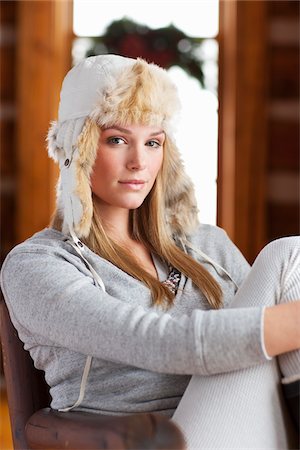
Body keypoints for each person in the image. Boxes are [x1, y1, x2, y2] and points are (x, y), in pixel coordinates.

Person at [0, 54, 299, 449]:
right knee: (289, 256)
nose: (139, 161)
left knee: (289, 256)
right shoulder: (37, 265)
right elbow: (162, 343)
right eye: (117, 139)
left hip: (260, 425)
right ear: (79, 145)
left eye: (153, 142)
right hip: (154, 439)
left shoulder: (207, 244)